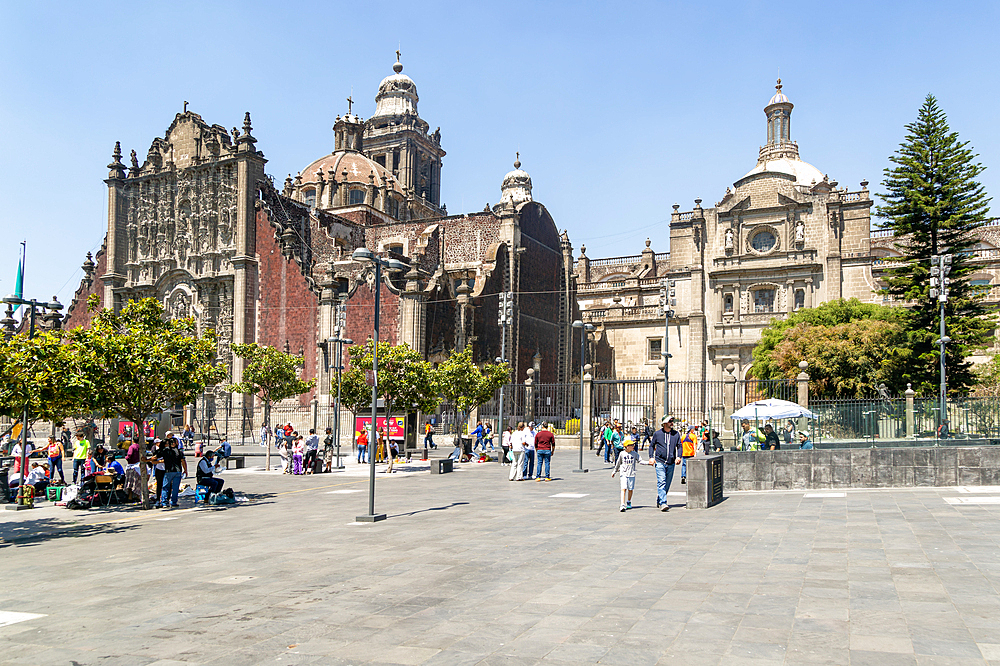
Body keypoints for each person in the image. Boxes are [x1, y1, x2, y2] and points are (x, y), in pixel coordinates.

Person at [648, 415, 682, 512]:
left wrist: (679, 456)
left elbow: (679, 446)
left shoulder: (676, 434)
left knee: (667, 484)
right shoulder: (657, 434)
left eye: (672, 421)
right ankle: (663, 502)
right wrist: (651, 457)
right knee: (661, 481)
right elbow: (651, 445)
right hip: (660, 462)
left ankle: (660, 499)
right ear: (665, 423)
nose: (672, 423)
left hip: (671, 462)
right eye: (670, 421)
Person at [158, 437, 187, 508]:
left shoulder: (165, 451)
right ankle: (174, 502)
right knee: (175, 488)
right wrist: (185, 470)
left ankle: (164, 502)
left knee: (165, 487)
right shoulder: (179, 451)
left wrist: (147, 460)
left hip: (168, 471)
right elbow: (183, 461)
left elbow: (156, 457)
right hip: (177, 471)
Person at [612, 439, 639, 511]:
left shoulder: (634, 454)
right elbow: (618, 463)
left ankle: (629, 501)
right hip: (623, 473)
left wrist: (649, 462)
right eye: (631, 445)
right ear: (627, 446)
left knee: (630, 489)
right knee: (623, 488)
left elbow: (640, 460)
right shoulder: (622, 454)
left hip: (631, 474)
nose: (633, 446)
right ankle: (622, 504)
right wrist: (614, 471)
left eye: (633, 445)